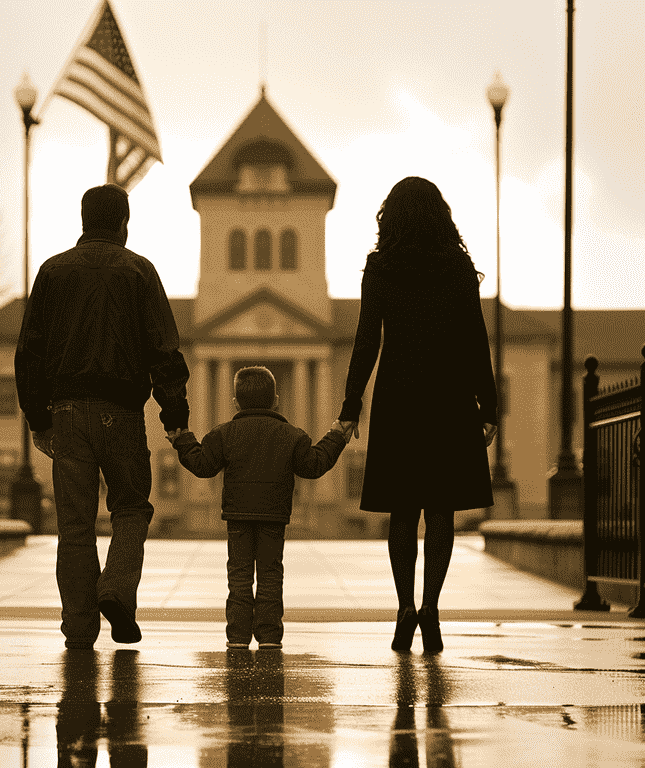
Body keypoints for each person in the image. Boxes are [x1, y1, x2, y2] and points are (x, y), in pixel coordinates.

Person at [15, 183, 190, 650]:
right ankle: (115, 589)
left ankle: (79, 627)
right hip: (124, 413)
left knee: (74, 524)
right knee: (131, 508)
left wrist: (38, 418)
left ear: (83, 220)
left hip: (67, 413)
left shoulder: (52, 272)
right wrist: (175, 416)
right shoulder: (140, 272)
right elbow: (164, 350)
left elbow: (29, 352)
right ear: (124, 222)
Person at [336, 176, 498, 653]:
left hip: (399, 396)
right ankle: (431, 608)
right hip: (447, 396)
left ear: (393, 218)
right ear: (440, 216)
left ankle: (404, 607)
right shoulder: (458, 267)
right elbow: (475, 339)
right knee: (441, 509)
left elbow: (367, 341)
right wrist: (487, 405)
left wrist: (351, 405)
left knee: (403, 509)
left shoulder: (381, 266)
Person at [167, 365, 351, 650]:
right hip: (274, 515)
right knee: (270, 574)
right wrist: (336, 436)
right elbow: (314, 466)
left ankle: (238, 636)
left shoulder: (224, 433)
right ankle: (269, 635)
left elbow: (202, 466)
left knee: (239, 575)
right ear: (275, 400)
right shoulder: (293, 435)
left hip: (238, 515)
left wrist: (183, 440)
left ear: (236, 402)